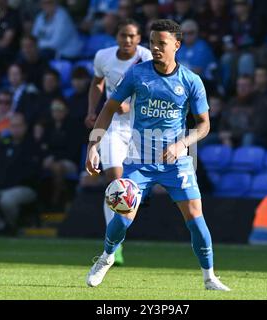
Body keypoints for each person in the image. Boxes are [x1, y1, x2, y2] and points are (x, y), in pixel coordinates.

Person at [85, 19, 230, 291]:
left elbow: (204, 125)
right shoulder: (137, 74)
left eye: (161, 43)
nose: (155, 48)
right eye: (152, 43)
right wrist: (93, 145)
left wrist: (182, 144)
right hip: (139, 158)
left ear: (177, 45)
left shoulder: (191, 81)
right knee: (124, 216)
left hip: (177, 160)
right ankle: (105, 258)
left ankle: (209, 276)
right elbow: (108, 108)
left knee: (196, 218)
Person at [84, 19, 152, 266]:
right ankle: (114, 244)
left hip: (138, 127)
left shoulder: (146, 58)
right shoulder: (103, 57)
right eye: (123, 35)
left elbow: (154, 90)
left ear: (139, 38)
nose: (127, 40)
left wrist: (130, 104)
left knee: (132, 185)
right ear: (116, 37)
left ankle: (117, 234)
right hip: (112, 125)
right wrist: (93, 109)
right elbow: (97, 82)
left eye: (132, 36)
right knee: (115, 181)